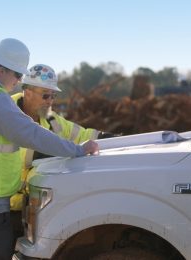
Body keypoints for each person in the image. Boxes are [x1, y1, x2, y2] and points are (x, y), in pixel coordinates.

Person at [0, 38, 99, 260]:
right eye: (16, 75)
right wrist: (78, 151)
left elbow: (76, 132)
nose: (17, 81)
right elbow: (31, 134)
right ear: (2, 70)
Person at [9, 64, 113, 243]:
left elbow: (78, 134)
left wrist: (108, 139)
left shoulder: (49, 118)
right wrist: (60, 151)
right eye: (45, 95)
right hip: (6, 206)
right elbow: (22, 153)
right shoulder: (7, 114)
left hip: (34, 204)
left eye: (53, 96)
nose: (50, 101)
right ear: (27, 91)